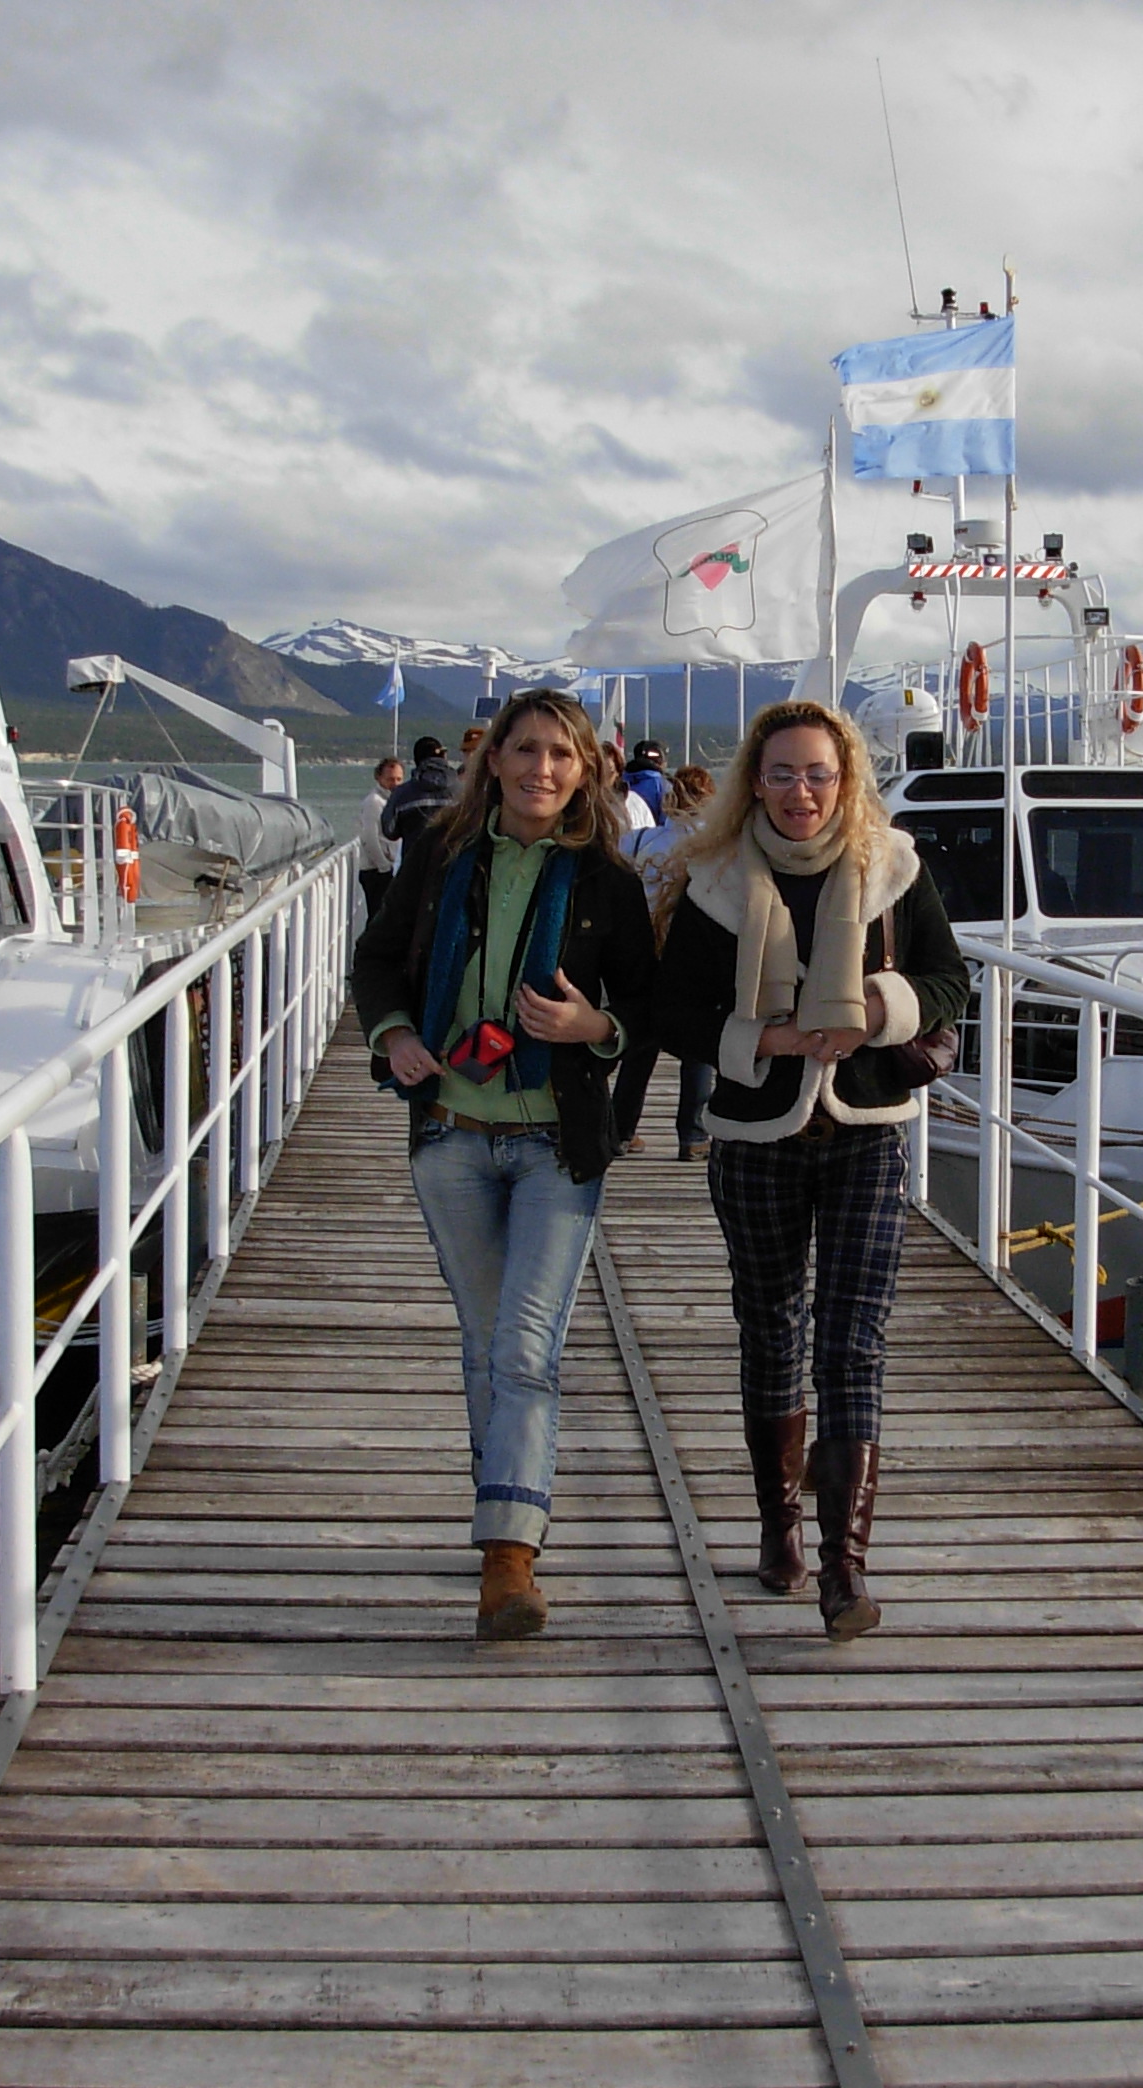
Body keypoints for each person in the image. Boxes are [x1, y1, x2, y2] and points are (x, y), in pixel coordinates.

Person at [650, 702, 965, 1638]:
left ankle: (844, 1570)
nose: (801, 791)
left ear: (847, 778)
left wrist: (879, 1004)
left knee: (853, 1342)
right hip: (755, 1132)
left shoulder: (892, 870)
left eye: (819, 774)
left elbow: (950, 979)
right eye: (783, 773)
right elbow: (672, 1011)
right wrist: (768, 1038)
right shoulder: (712, 881)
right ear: (756, 778)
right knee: (772, 1331)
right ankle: (779, 1524)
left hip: (866, 1124)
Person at [349, 689, 655, 1640]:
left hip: (552, 1141)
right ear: (496, 763)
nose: (542, 770)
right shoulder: (440, 859)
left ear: (585, 770)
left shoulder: (605, 878)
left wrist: (591, 1026)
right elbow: (379, 960)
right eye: (526, 751)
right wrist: (396, 1033)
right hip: (449, 1130)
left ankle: (509, 1558)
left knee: (525, 1347)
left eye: (562, 755)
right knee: (487, 1345)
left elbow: (646, 1011)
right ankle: (503, 1523)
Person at [613, 765, 715, 1159]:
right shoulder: (714, 846)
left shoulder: (638, 841)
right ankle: (692, 1136)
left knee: (639, 1048)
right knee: (698, 1053)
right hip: (692, 956)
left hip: (644, 952)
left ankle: (621, 1130)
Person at [378, 736, 454, 868]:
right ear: (443, 758)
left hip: (414, 870)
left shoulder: (402, 793)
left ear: (417, 760)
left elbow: (389, 830)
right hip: (453, 868)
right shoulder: (466, 791)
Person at [356, 754, 404, 919]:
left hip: (388, 868)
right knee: (378, 917)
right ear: (378, 777)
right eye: (390, 779)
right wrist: (384, 867)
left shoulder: (393, 802)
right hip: (376, 871)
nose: (395, 784)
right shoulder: (374, 802)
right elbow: (369, 838)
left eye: (399, 779)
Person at [622, 738, 670, 828]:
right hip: (651, 838)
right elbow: (666, 822)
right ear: (663, 762)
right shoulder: (663, 785)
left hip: (621, 835)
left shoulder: (619, 780)